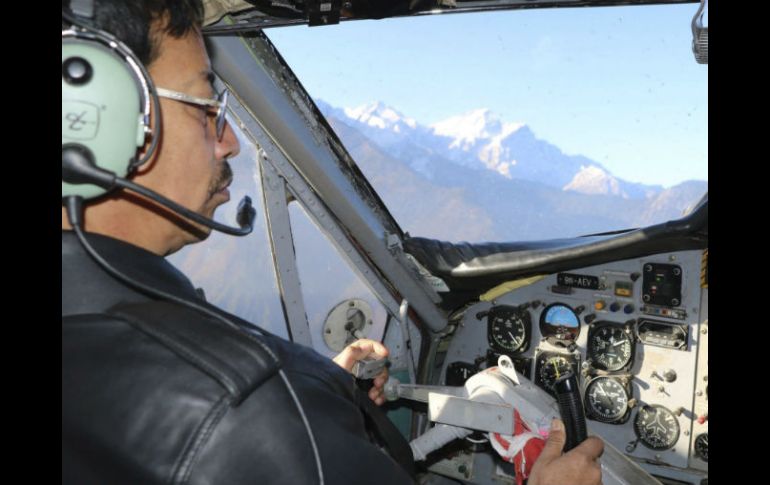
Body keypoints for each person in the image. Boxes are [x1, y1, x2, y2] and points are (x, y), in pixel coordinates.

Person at [61, 1, 603, 484]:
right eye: (206, 106)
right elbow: (239, 424)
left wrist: (319, 388)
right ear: (92, 126)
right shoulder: (244, 412)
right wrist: (290, 406)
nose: (229, 142)